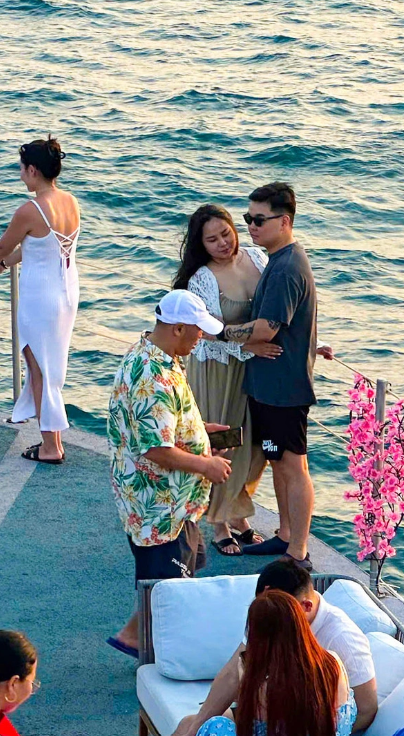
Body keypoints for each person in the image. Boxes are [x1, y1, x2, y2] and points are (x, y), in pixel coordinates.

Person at [105, 289, 233, 658]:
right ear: (178, 328)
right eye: (197, 331)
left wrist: (200, 431)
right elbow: (157, 450)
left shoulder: (153, 355)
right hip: (159, 503)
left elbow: (163, 425)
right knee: (168, 587)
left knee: (168, 580)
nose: (201, 337)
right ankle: (146, 647)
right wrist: (207, 464)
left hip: (167, 501)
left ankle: (137, 636)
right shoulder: (154, 376)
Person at [215, 182, 332, 571]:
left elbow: (266, 328)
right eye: (248, 218)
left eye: (259, 219)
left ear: (284, 221)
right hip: (269, 385)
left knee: (293, 466)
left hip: (284, 389)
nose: (250, 226)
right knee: (279, 461)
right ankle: (284, 534)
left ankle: (297, 551)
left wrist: (219, 331)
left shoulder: (285, 269)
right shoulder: (280, 260)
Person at [0, 137, 80, 464]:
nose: (21, 175)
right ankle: (51, 438)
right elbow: (40, 247)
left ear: (33, 170)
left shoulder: (30, 209)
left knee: (39, 368)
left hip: (40, 296)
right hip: (66, 292)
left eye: (22, 169)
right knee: (49, 367)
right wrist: (2, 267)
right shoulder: (70, 202)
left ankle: (51, 446)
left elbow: (1, 246)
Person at [173, 204, 281, 556]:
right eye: (212, 239)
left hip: (258, 366)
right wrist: (252, 347)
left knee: (254, 446)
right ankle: (218, 520)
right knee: (225, 439)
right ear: (200, 245)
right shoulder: (202, 278)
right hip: (220, 368)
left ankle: (236, 510)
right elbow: (207, 332)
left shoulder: (255, 258)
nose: (222, 243)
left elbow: (277, 308)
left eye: (225, 234)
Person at [173, 559, 378, 736]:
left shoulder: (343, 639)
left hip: (294, 719)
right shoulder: (331, 659)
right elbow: (230, 676)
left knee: (212, 728)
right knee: (188, 725)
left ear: (303, 608)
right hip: (285, 715)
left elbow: (367, 709)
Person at [193, 589, 356, 736]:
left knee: (215, 726)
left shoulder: (263, 690)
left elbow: (246, 727)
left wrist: (245, 679)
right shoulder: (334, 664)